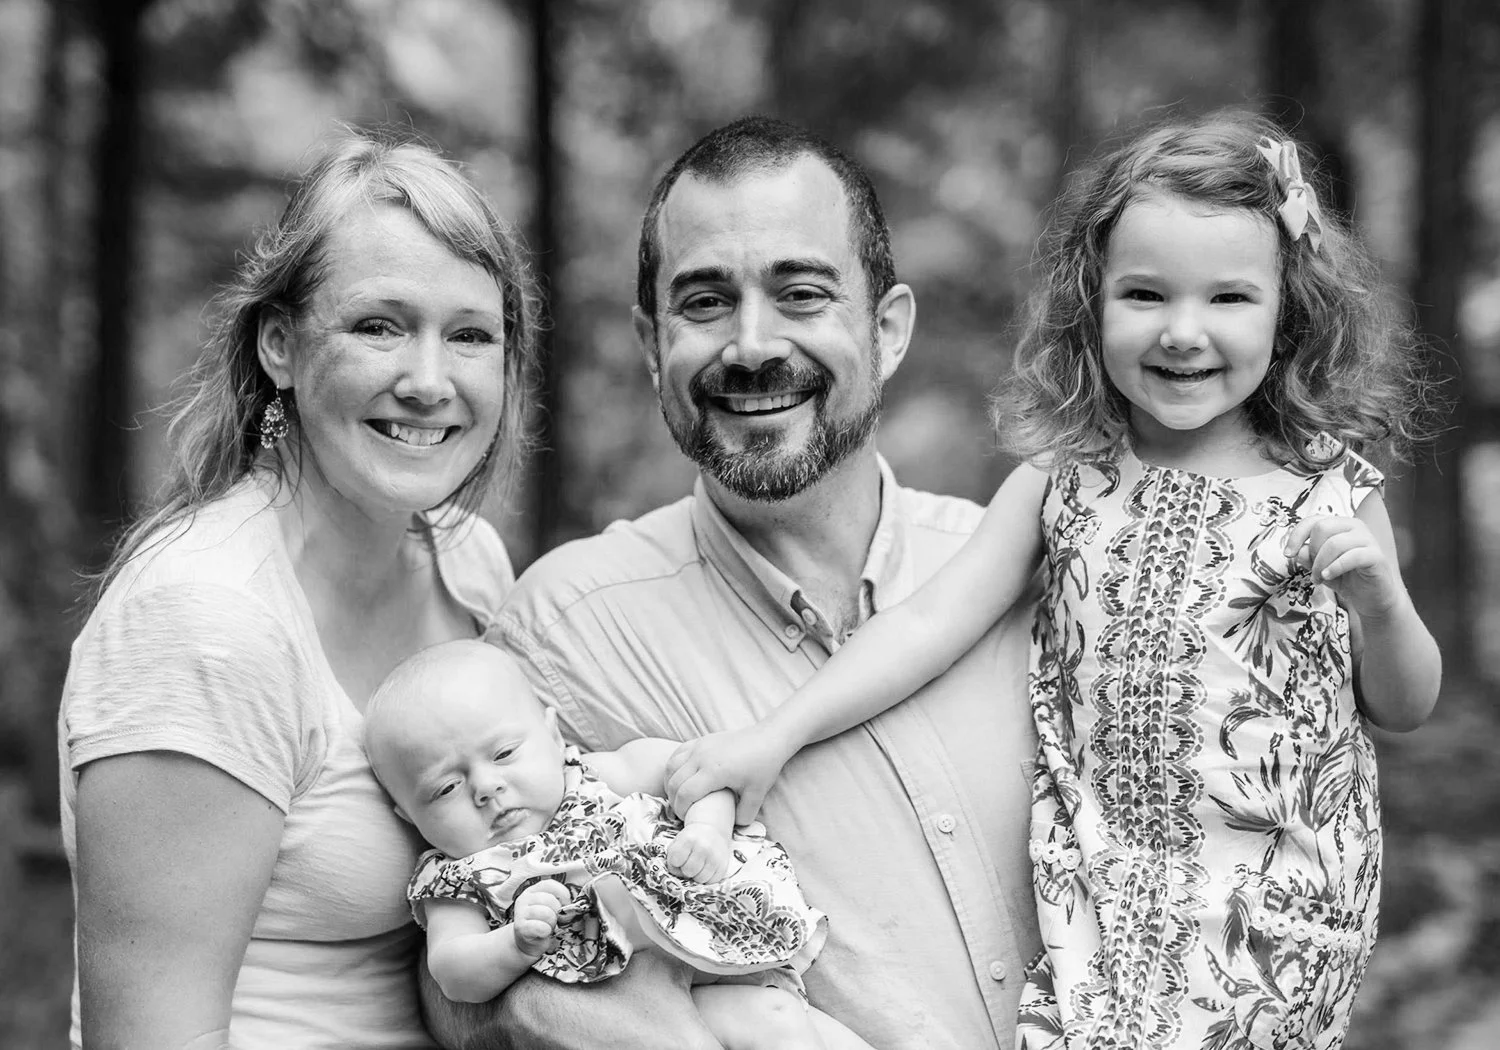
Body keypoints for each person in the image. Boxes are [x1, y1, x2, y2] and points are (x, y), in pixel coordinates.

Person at [666, 109, 1442, 1050]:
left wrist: (1380, 604)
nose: (1183, 332)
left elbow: (1403, 703)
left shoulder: (1327, 490)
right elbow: (925, 625)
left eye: (1230, 298)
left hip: (1275, 908)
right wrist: (771, 739)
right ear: (1093, 301)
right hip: (1103, 910)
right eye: (1146, 295)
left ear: (1290, 313)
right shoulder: (1064, 479)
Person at [421, 116, 1040, 1050]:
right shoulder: (565, 634)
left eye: (800, 293)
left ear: (888, 328)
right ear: (649, 342)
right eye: (705, 302)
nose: (752, 346)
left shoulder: (1037, 578)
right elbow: (463, 988)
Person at [57, 130, 540, 1049]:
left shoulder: (470, 563)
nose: (430, 381)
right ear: (279, 344)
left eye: (471, 335)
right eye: (379, 325)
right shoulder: (204, 625)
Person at [364, 640, 871, 1050]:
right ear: (408, 815)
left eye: (503, 753)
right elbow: (453, 974)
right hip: (636, 1013)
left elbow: (702, 773)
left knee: (803, 1025)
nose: (485, 787)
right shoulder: (458, 876)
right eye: (446, 788)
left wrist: (707, 829)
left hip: (725, 959)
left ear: (552, 733)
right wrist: (513, 943)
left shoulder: (598, 775)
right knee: (772, 1023)